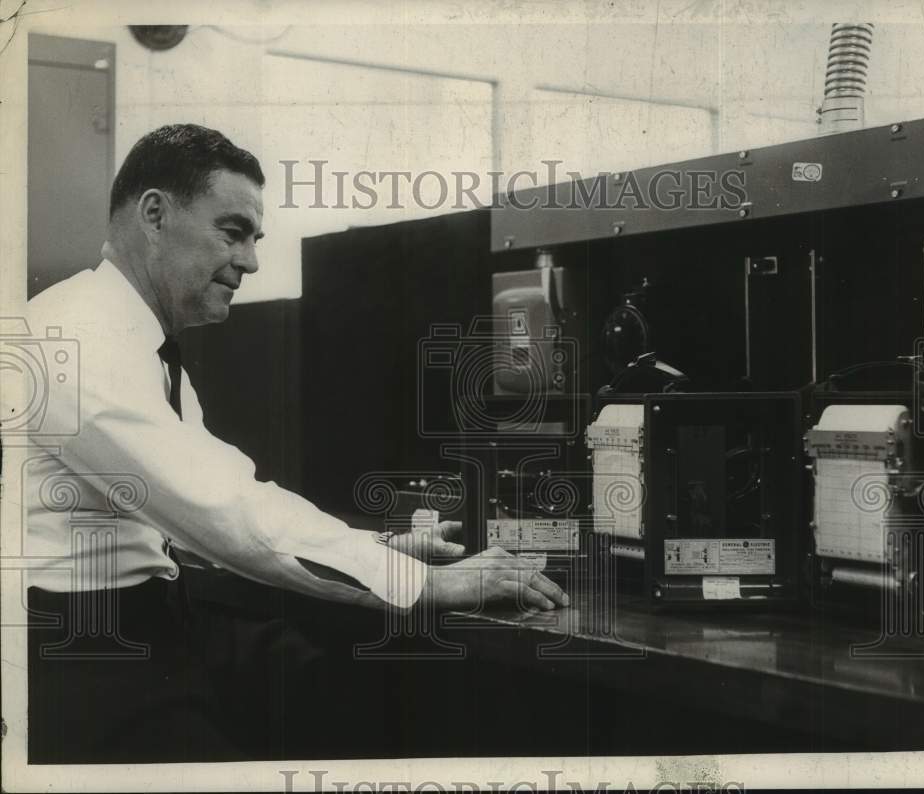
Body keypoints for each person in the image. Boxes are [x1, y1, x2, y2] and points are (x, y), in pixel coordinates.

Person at [15, 123, 568, 762]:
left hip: (149, 621)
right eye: (232, 231)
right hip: (79, 657)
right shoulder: (76, 337)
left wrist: (378, 549)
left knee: (358, 689)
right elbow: (222, 512)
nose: (250, 261)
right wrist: (423, 585)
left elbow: (205, 512)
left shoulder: (138, 341)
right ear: (155, 215)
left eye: (255, 239)